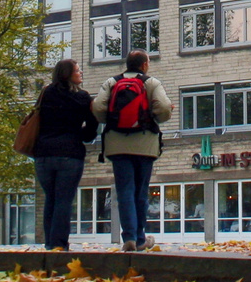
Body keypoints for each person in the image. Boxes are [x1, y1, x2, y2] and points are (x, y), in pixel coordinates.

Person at [92, 50, 172, 252]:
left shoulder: (111, 82)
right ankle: (139, 237)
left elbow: (98, 108)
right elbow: (163, 109)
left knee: (124, 190)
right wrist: (156, 117)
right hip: (145, 144)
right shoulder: (151, 83)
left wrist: (111, 120)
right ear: (144, 65)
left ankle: (128, 236)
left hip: (117, 145)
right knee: (141, 192)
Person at [31, 58, 98, 251]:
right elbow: (91, 130)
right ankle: (59, 244)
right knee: (64, 200)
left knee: (50, 198)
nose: (81, 73)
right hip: (70, 153)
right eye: (77, 70)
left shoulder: (46, 93)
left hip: (43, 154)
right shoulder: (83, 98)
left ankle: (49, 242)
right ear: (68, 74)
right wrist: (80, 135)